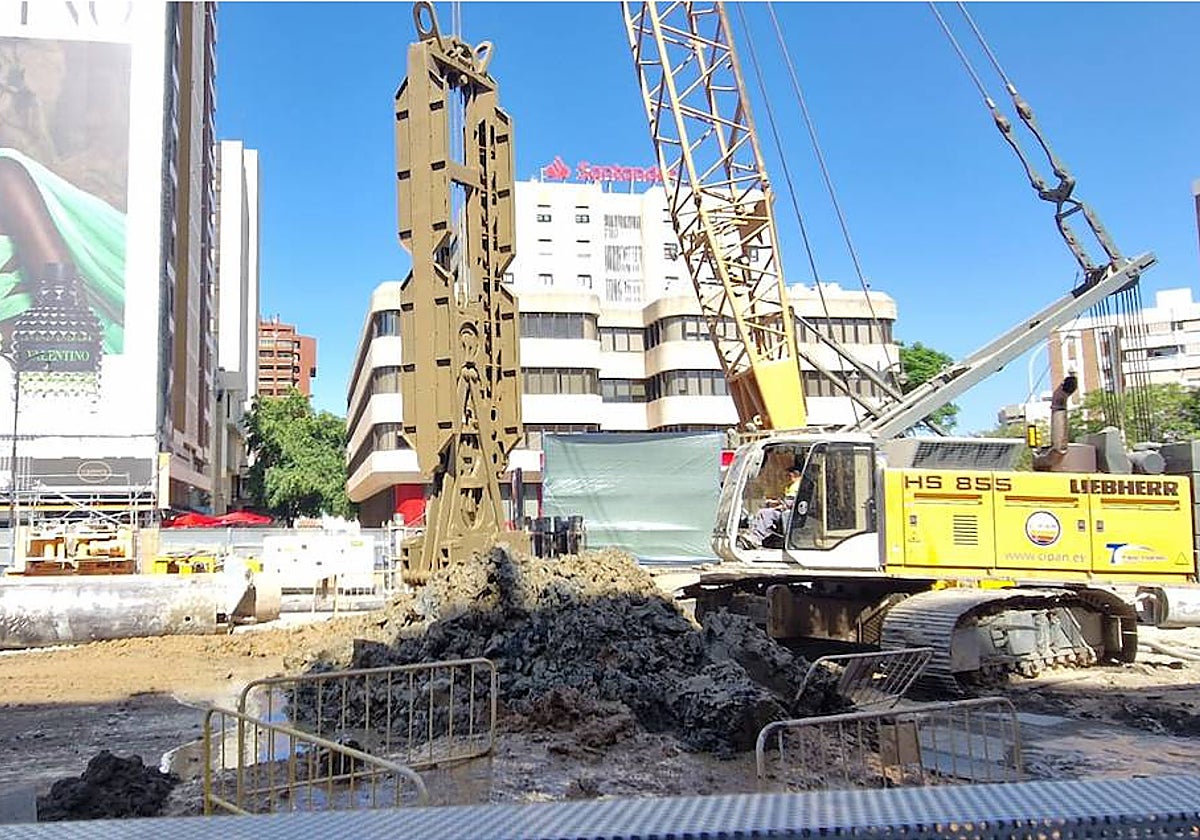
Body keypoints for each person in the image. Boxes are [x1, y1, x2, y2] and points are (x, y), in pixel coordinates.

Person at [746, 467, 806, 549]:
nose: (786, 477)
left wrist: (780, 506)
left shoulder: (797, 486)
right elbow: (785, 500)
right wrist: (773, 502)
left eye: (788, 475)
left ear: (795, 475)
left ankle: (757, 537)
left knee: (764, 513)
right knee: (767, 511)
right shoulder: (791, 485)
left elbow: (791, 502)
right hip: (787, 510)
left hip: (791, 512)